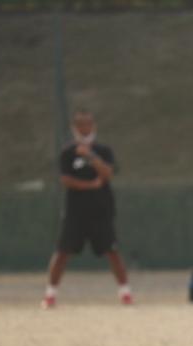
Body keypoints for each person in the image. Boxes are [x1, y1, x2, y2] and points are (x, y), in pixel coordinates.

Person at [42, 110, 132, 309]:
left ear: (94, 126)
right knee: (62, 252)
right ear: (74, 128)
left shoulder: (103, 150)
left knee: (112, 251)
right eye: (81, 125)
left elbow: (108, 173)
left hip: (101, 210)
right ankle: (50, 295)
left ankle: (125, 292)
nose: (85, 128)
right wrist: (90, 185)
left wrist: (90, 156)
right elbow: (65, 179)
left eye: (88, 124)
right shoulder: (67, 152)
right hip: (75, 213)